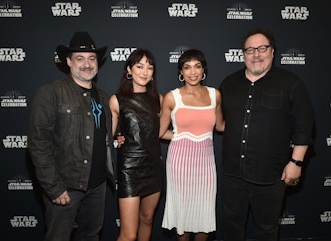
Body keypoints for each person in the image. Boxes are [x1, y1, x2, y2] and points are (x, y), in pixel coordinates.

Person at [219, 27, 315, 241]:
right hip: (232, 173)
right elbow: (219, 122)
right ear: (243, 54)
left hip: (271, 175)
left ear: (272, 51)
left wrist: (296, 163)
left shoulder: (291, 83)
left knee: (267, 229)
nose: (256, 54)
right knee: (231, 226)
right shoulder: (228, 84)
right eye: (250, 49)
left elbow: (304, 126)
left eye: (262, 48)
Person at [28, 31, 114, 241]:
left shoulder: (103, 97)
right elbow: (38, 143)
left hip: (97, 187)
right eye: (80, 59)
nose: (87, 64)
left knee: (90, 236)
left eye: (92, 59)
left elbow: (103, 138)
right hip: (65, 188)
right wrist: (54, 188)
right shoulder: (51, 93)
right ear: (68, 61)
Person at [160, 49, 224, 241]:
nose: (193, 72)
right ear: (181, 72)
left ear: (203, 69)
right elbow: (160, 132)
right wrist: (182, 136)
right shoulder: (172, 97)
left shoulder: (215, 95)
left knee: (204, 213)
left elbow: (220, 126)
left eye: (197, 66)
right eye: (187, 67)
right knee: (183, 215)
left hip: (205, 164)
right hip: (179, 163)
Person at [109, 48, 169, 241]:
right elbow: (107, 138)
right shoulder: (117, 100)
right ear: (129, 69)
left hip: (154, 167)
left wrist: (190, 135)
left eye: (149, 68)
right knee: (128, 234)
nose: (144, 72)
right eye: (139, 66)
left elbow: (162, 132)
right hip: (130, 169)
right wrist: (115, 141)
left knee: (148, 218)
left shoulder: (159, 99)